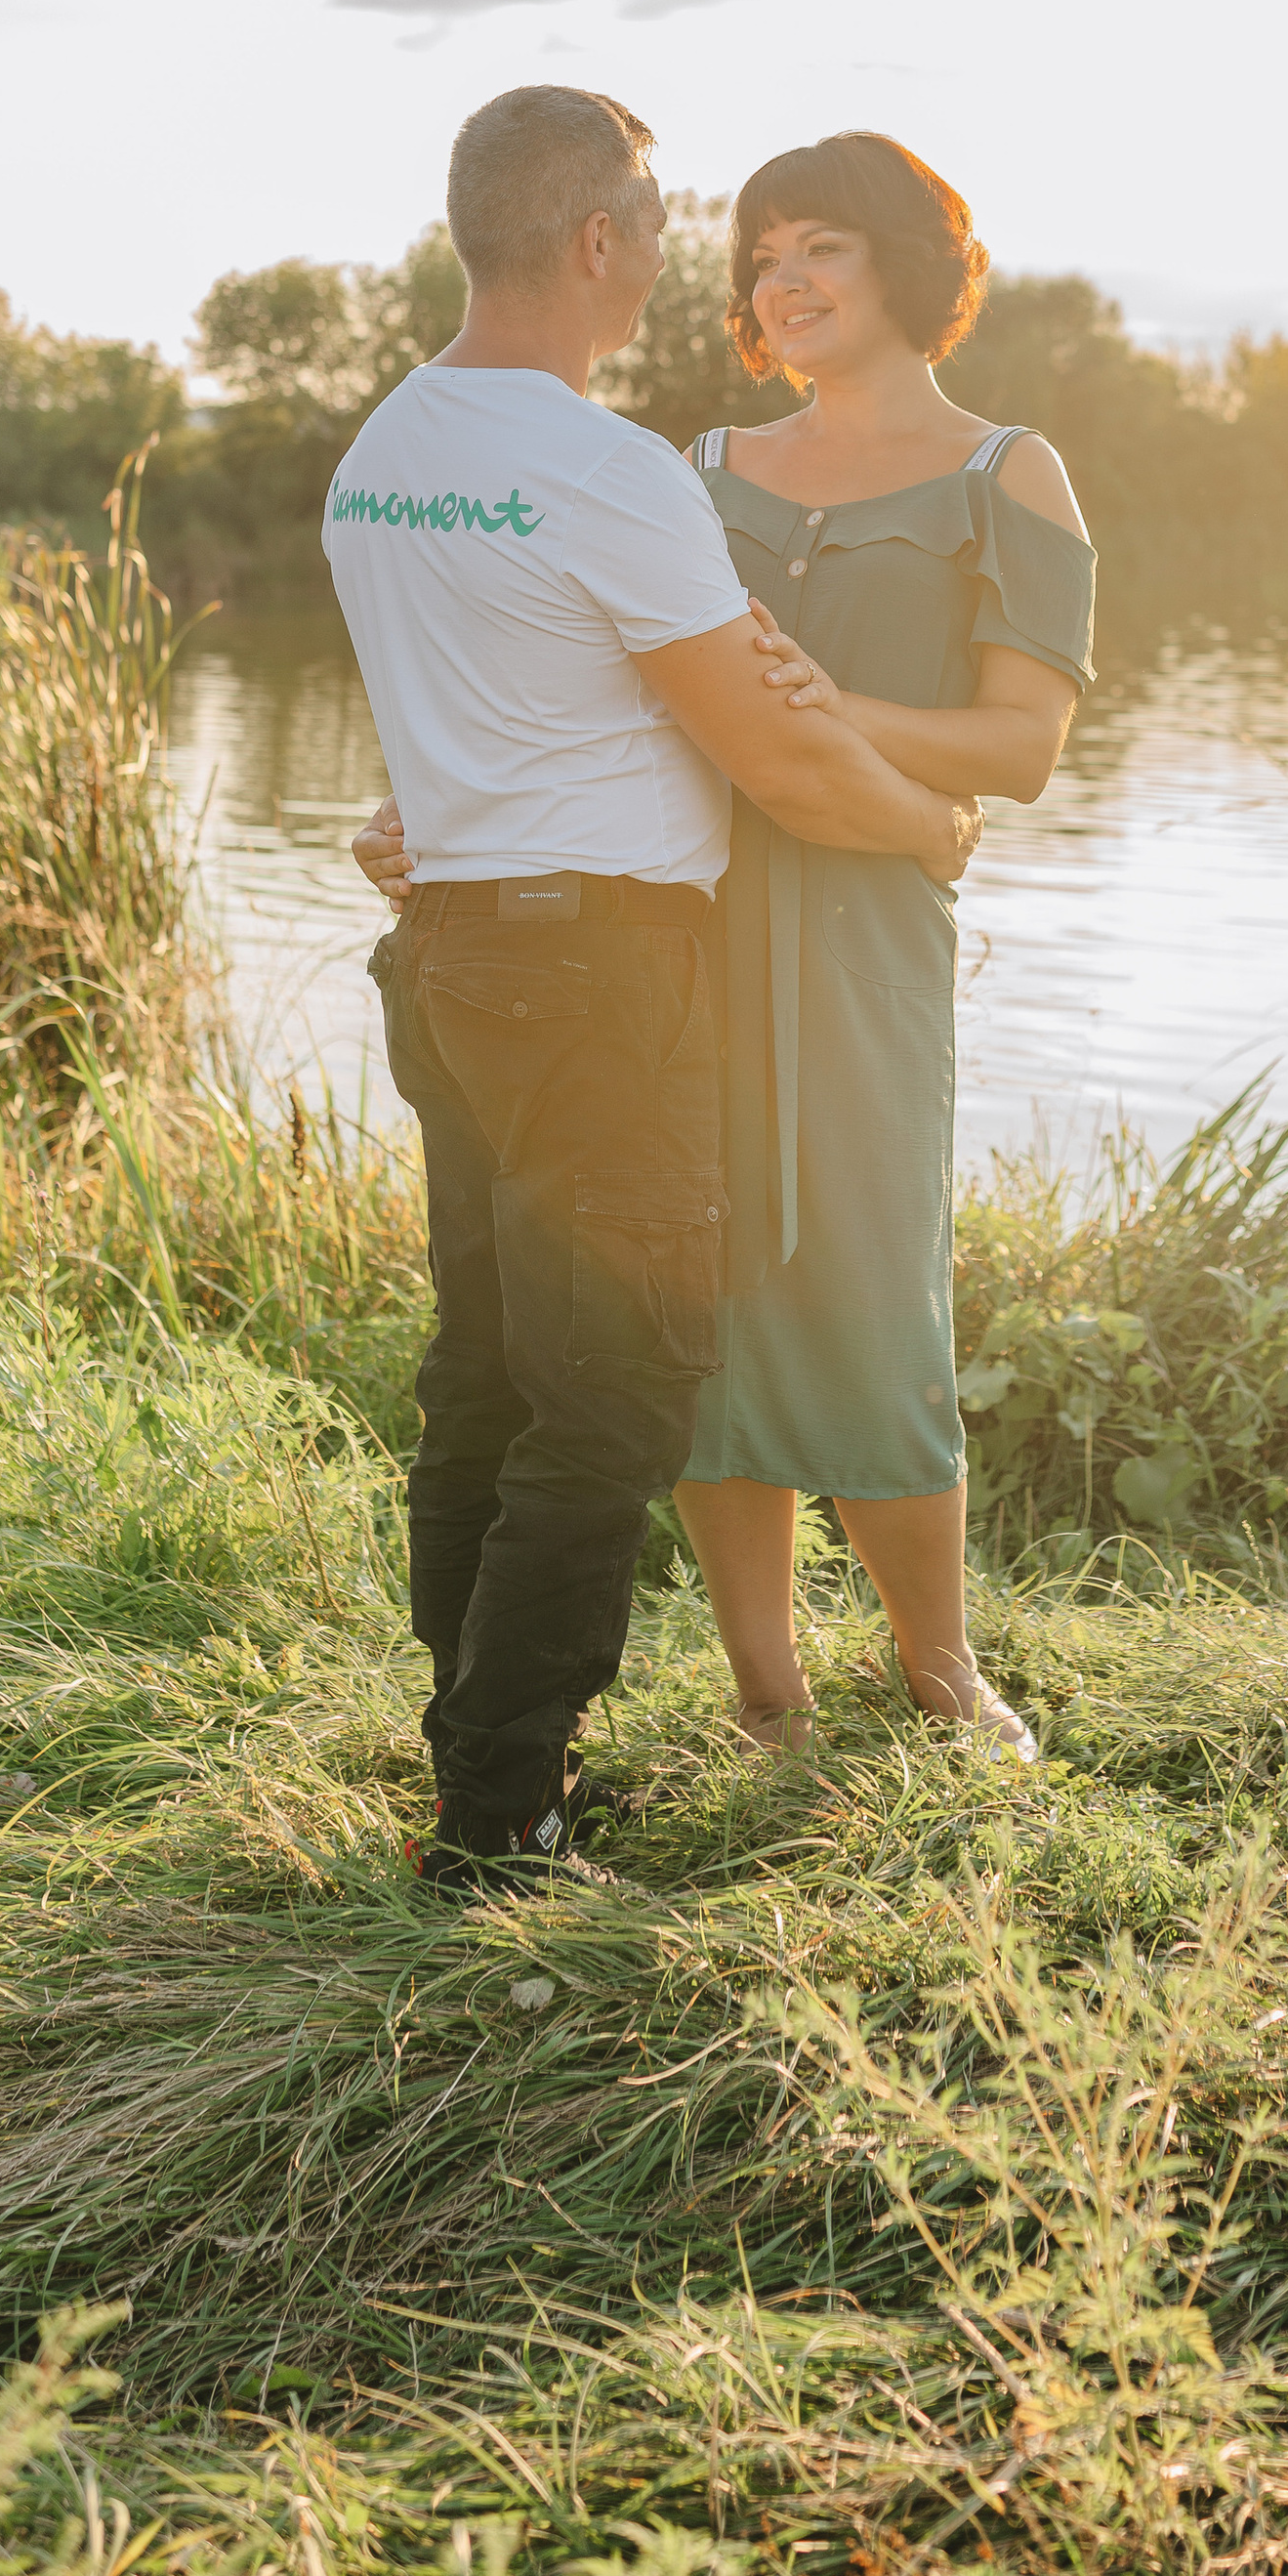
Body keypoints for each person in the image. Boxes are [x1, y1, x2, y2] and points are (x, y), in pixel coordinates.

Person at [359, 132, 1095, 1763]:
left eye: (821, 246)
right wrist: (446, 814)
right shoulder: (691, 468)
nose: (786, 282)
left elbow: (1021, 747)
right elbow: (572, 679)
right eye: (763, 256)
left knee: (871, 1288)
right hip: (668, 925)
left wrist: (844, 723)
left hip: (861, 930)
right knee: (695, 1306)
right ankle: (771, 1696)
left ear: (906, 261)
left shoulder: (1006, 475)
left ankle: (941, 1672)